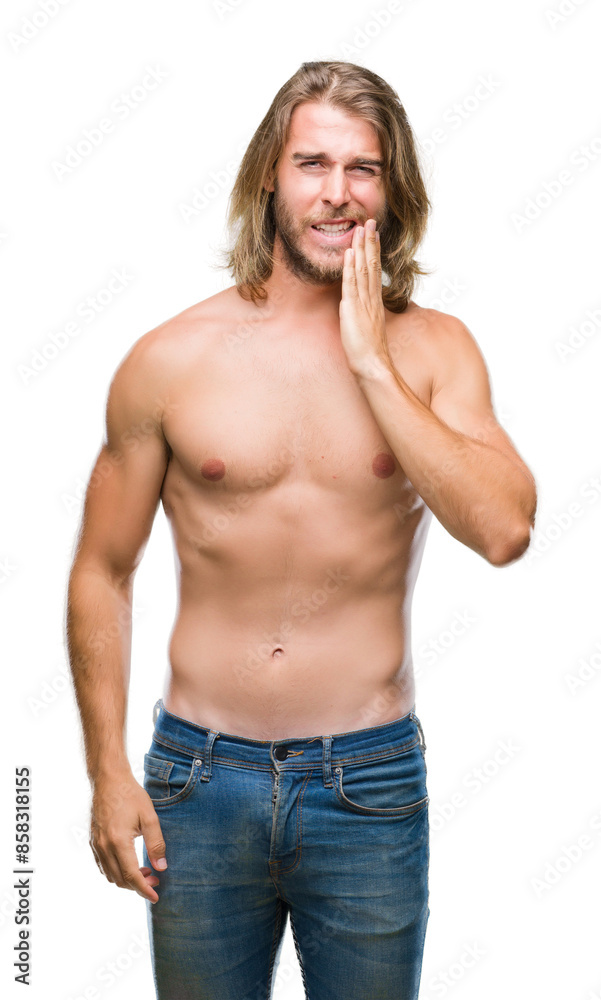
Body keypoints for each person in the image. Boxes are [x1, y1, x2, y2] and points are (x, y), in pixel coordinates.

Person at [64, 60, 537, 1000]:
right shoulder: (170, 359)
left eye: (363, 168)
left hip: (366, 780)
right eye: (312, 163)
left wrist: (372, 364)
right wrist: (107, 771)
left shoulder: (434, 351)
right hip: (197, 778)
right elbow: (100, 571)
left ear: (392, 191)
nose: (336, 191)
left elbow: (502, 530)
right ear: (267, 180)